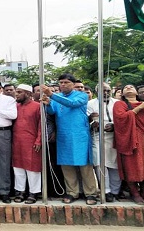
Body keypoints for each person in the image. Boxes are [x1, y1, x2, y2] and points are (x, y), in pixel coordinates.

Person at [41, 73, 97, 205]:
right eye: (61, 82)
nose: (63, 85)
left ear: (73, 84)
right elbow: (52, 112)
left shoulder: (81, 96)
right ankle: (72, 192)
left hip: (80, 135)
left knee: (84, 165)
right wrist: (48, 104)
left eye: (66, 82)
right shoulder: (57, 97)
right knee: (67, 165)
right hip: (63, 135)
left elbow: (72, 104)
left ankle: (91, 193)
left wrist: (52, 95)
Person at [113, 84, 144, 205]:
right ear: (121, 94)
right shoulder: (120, 104)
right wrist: (139, 108)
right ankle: (135, 193)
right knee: (131, 167)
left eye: (131, 87)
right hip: (128, 139)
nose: (128, 88)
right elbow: (120, 118)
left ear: (137, 92)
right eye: (125, 87)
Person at [87, 83, 122, 202]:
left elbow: (122, 119)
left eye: (108, 90)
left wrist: (115, 127)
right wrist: (92, 123)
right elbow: (87, 119)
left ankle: (115, 191)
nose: (106, 93)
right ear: (97, 92)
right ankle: (106, 191)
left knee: (115, 164)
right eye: (103, 91)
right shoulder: (90, 103)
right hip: (97, 136)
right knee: (100, 163)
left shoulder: (117, 103)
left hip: (114, 136)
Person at [12, 84, 42, 204]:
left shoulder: (38, 106)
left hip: (32, 141)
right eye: (16, 92)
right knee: (18, 167)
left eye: (19, 92)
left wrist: (39, 140)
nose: (16, 94)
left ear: (28, 94)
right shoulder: (15, 106)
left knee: (32, 168)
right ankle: (20, 191)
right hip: (16, 141)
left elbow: (41, 126)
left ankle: (33, 193)